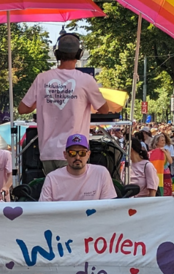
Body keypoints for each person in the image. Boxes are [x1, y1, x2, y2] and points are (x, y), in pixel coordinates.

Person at [18, 32, 109, 175]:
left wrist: (44, 99)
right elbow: (104, 109)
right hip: (75, 152)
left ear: (57, 54)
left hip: (48, 151)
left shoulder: (42, 78)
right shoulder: (86, 80)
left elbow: (22, 108)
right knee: (74, 189)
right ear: (79, 54)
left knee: (54, 188)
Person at [39, 134, 116, 202]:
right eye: (72, 153)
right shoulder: (52, 178)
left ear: (88, 154)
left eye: (82, 153)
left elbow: (108, 207)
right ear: (65, 155)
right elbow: (43, 209)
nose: (77, 157)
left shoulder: (101, 173)